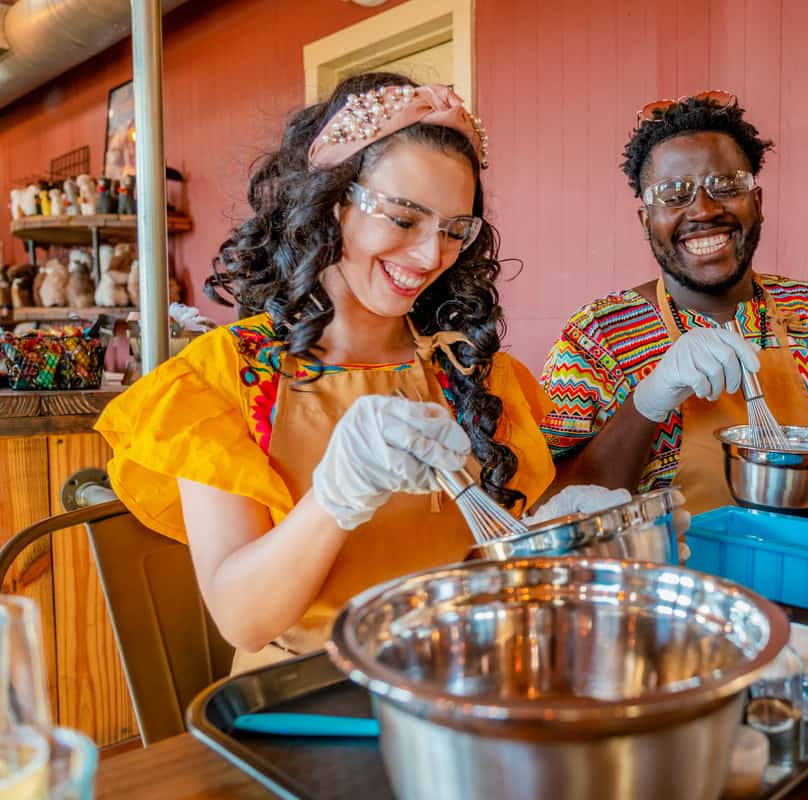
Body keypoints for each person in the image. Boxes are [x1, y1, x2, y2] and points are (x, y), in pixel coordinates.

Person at [96, 73, 624, 671]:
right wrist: (334, 495)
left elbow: (496, 560)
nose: (430, 257)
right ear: (330, 202)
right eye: (403, 219)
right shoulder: (223, 378)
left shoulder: (475, 373)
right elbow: (243, 620)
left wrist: (565, 534)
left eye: (454, 231)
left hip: (459, 682)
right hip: (305, 701)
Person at [540, 91, 808, 516]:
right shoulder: (596, 334)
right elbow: (554, 498)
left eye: (726, 186)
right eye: (674, 194)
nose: (704, 210)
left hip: (804, 567)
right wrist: (649, 400)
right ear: (646, 222)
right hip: (671, 574)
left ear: (758, 204)